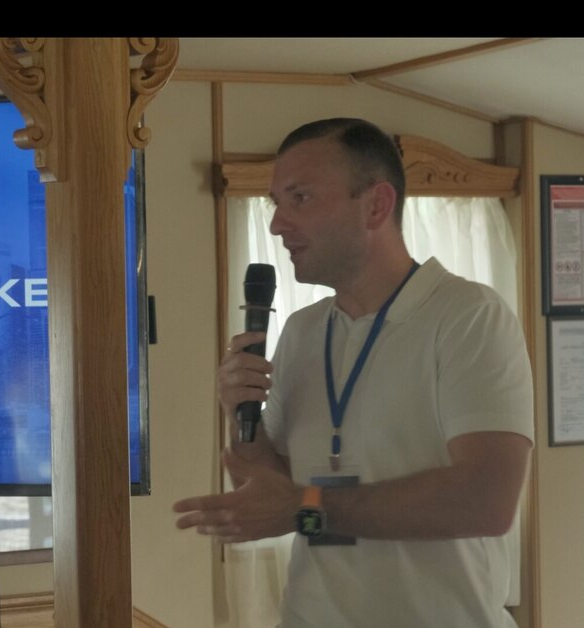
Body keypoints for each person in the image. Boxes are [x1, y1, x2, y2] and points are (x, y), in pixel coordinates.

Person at [173, 118, 534, 627]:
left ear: (376, 206)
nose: (277, 225)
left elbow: (485, 501)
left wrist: (306, 507)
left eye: (300, 198)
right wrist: (241, 413)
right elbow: (270, 491)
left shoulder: (467, 316)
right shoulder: (302, 331)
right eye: (276, 203)